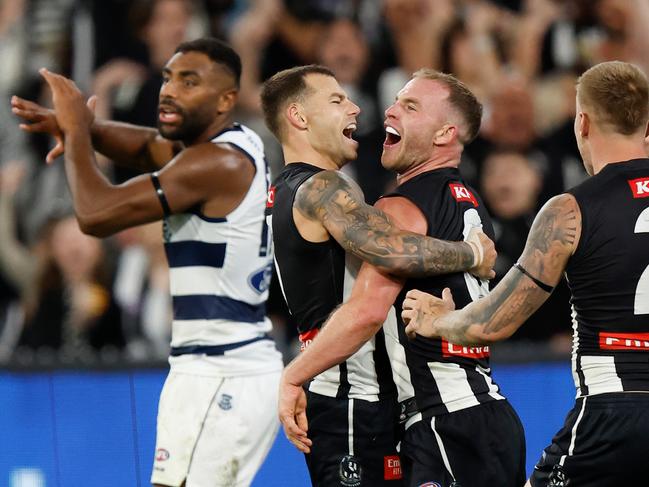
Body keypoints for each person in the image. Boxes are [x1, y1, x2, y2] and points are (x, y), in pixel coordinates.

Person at [12, 38, 283, 487]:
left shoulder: (216, 162)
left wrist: (78, 132)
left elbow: (96, 215)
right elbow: (144, 148)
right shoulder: (230, 144)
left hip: (221, 371)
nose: (169, 90)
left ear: (226, 100)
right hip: (222, 367)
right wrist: (83, 129)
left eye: (189, 81)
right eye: (167, 77)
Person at [273, 68, 526, 487]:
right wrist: (469, 255)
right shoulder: (468, 203)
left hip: (440, 417)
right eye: (395, 101)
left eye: (410, 105)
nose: (385, 109)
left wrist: (293, 375)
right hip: (479, 409)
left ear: (445, 133)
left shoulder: (400, 205)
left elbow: (369, 307)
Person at [401, 60, 649, 487]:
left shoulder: (570, 210)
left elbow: (494, 321)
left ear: (583, 122)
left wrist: (437, 318)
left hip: (613, 411)